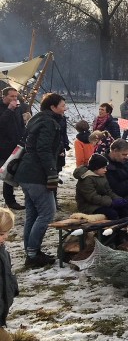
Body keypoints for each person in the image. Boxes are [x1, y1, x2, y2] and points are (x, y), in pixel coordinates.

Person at [14, 92, 67, 267]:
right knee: (47, 213)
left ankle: (31, 252)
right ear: (52, 107)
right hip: (36, 175)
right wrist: (52, 172)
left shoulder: (36, 119)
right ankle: (33, 254)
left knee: (33, 214)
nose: (64, 108)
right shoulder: (49, 122)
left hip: (26, 173)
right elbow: (43, 149)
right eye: (62, 105)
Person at [74, 154, 128, 220]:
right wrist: (111, 203)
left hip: (101, 203)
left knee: (123, 209)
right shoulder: (86, 179)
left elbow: (108, 191)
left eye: (105, 167)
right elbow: (92, 197)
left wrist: (118, 199)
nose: (105, 170)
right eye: (103, 168)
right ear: (95, 168)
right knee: (112, 213)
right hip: (88, 206)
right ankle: (111, 229)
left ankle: (122, 227)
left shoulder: (101, 175)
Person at [0, 207, 20, 341]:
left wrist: (13, 287)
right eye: (1, 234)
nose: (5, 237)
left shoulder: (2, 252)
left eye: (6, 233)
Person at [0, 87, 25, 210]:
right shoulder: (5, 109)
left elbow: (21, 126)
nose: (15, 99)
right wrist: (9, 110)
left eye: (16, 96)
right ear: (4, 96)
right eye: (12, 96)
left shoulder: (18, 109)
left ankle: (10, 201)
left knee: (9, 175)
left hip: (15, 147)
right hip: (2, 147)